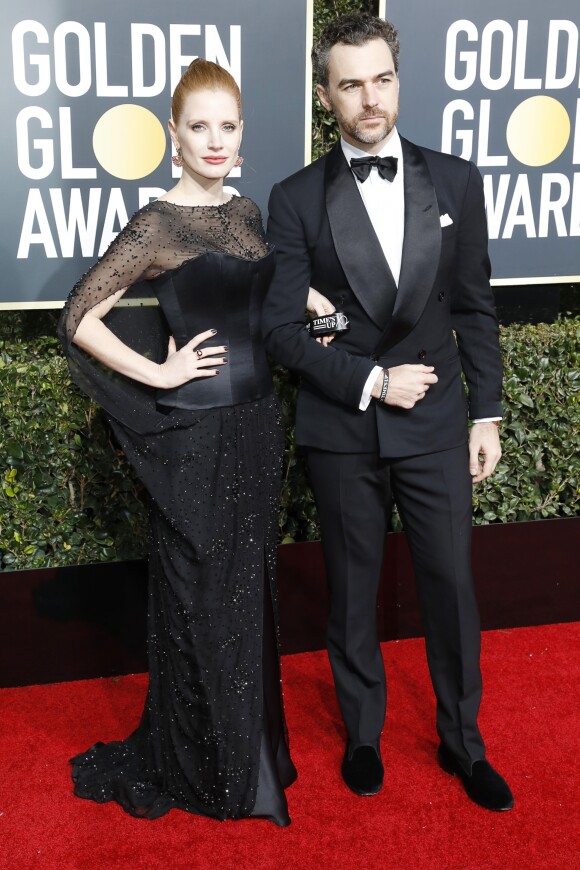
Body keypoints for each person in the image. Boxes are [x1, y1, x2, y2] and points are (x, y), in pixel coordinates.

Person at [263, 13, 514, 811]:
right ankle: (364, 733)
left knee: (451, 586)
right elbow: (276, 331)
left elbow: (475, 308)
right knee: (352, 588)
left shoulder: (458, 180)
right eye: (350, 84)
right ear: (324, 93)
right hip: (345, 426)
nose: (369, 99)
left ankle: (462, 742)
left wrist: (488, 415)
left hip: (438, 422)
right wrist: (372, 381)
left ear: (397, 79)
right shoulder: (295, 197)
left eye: (381, 79)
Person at [58, 59, 298, 826]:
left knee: (246, 588)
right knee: (197, 595)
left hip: (259, 428)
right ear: (175, 134)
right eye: (200, 126)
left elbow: (255, 306)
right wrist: (159, 372)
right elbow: (79, 318)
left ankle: (249, 752)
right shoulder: (157, 223)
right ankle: (205, 766)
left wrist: (315, 309)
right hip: (195, 438)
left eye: (228, 125)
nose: (216, 140)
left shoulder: (251, 211)